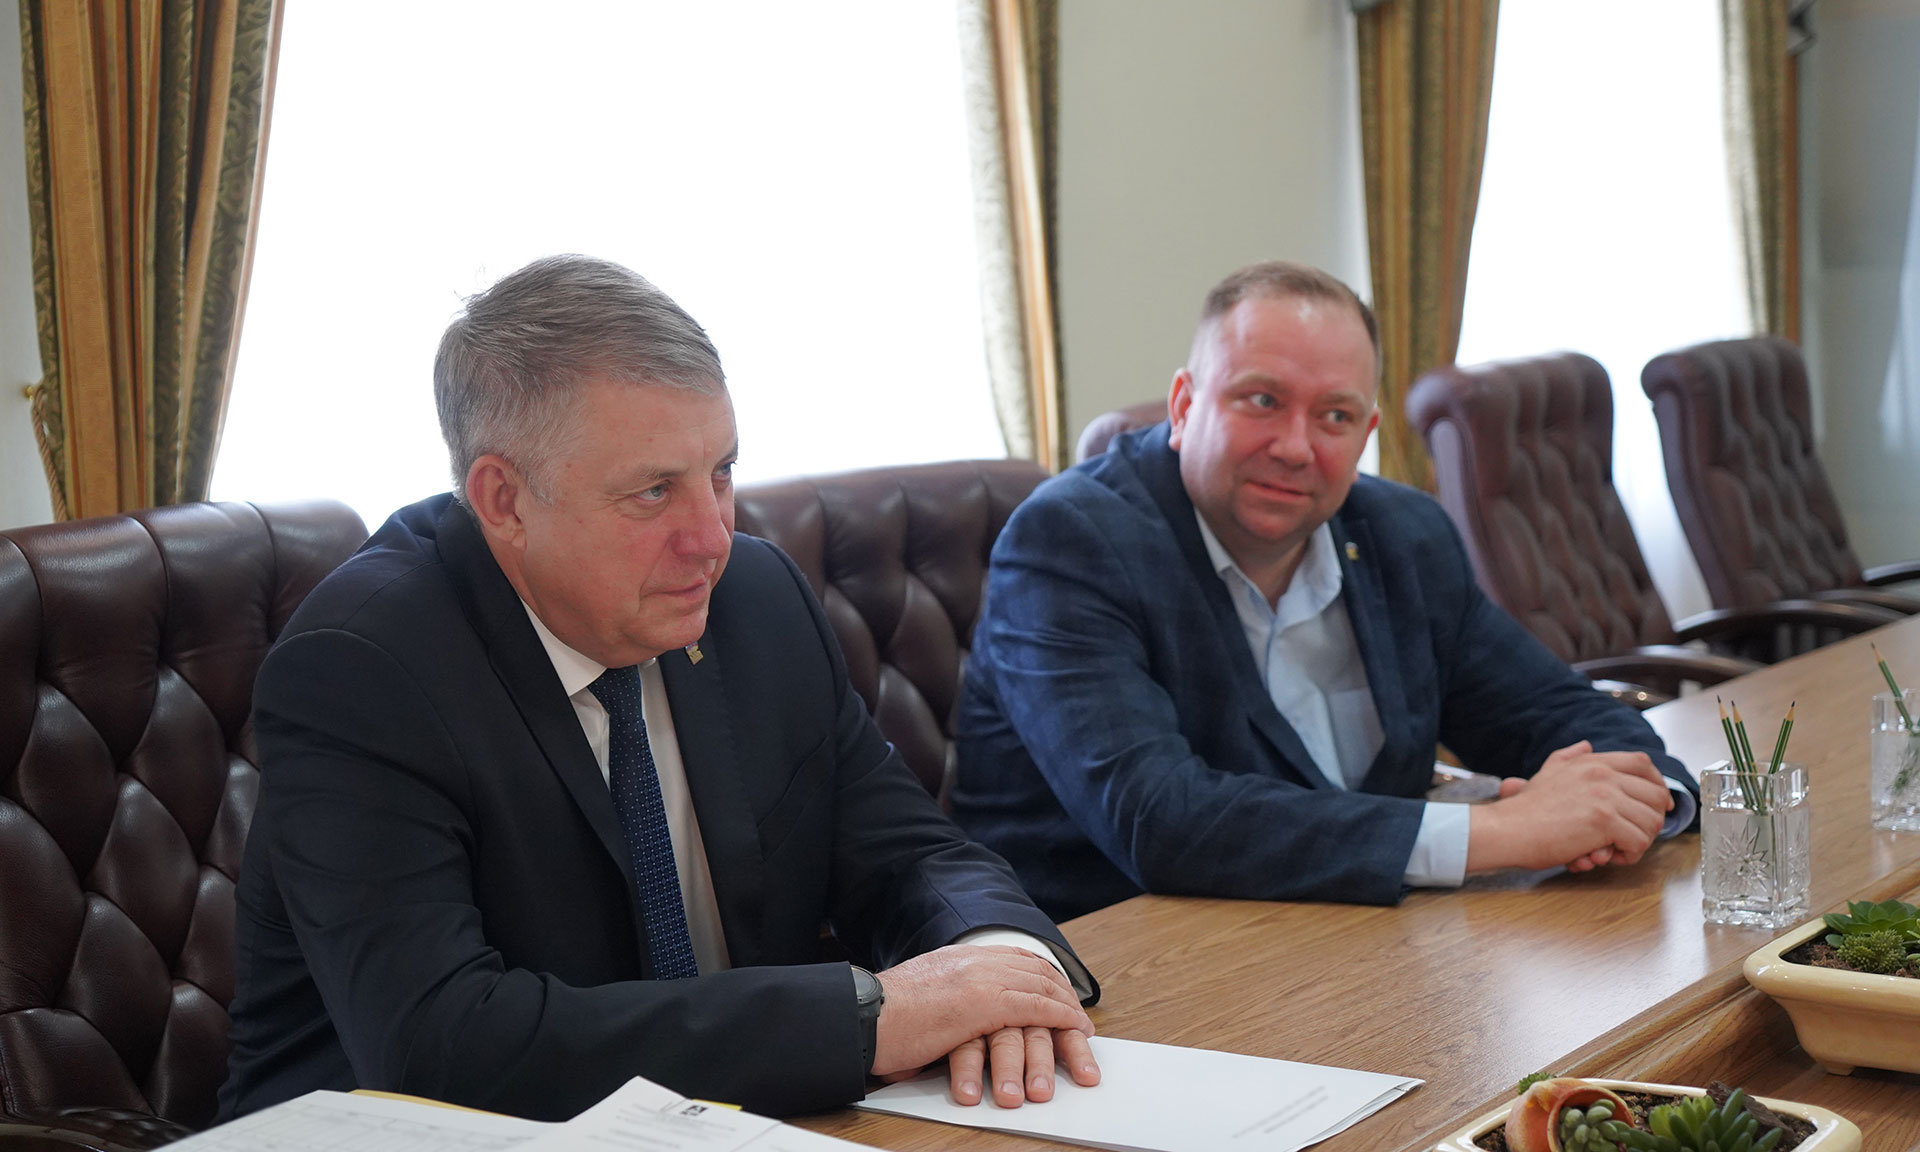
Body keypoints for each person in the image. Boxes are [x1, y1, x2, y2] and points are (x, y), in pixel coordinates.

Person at [219, 255, 1100, 1122]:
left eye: (721, 472)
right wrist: (864, 1020)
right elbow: (443, 1043)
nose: (711, 539)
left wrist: (999, 965)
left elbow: (911, 856)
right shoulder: (364, 668)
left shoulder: (755, 600)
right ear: (505, 500)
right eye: (653, 492)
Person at [951, 260, 1699, 922]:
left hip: (1351, 933)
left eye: (1334, 416)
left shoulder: (1402, 534)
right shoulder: (1069, 543)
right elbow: (1161, 820)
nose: (1295, 447)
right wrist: (1504, 832)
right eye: (1261, 400)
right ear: (1183, 407)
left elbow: (1553, 711)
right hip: (1113, 972)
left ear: (1365, 433)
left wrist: (1631, 801)